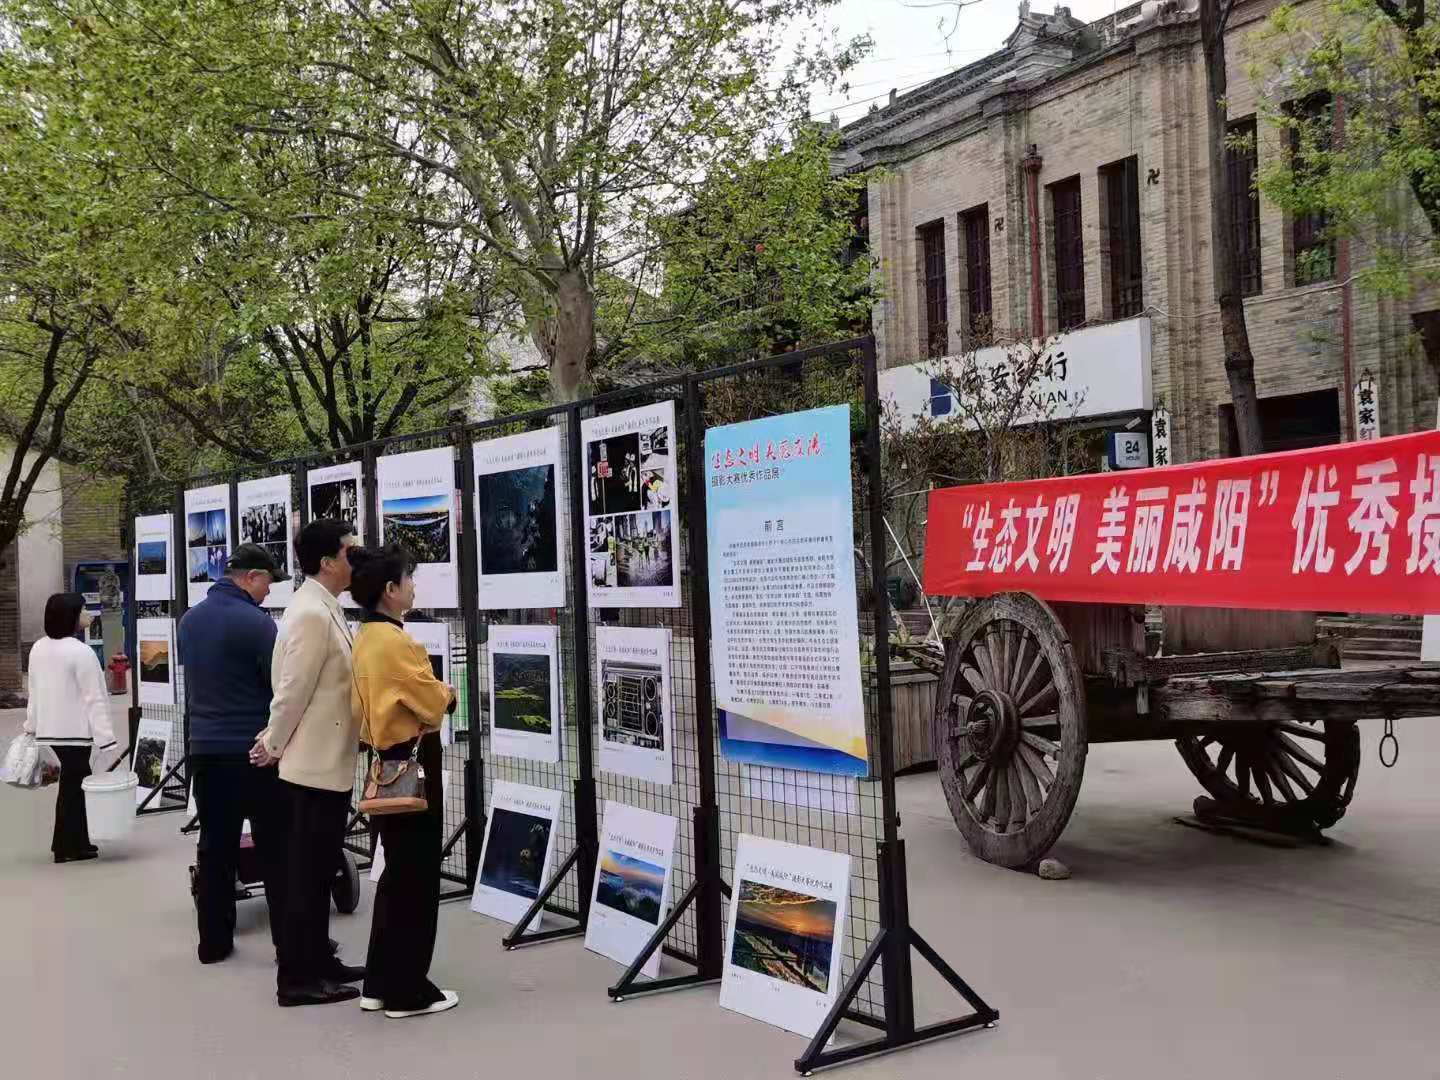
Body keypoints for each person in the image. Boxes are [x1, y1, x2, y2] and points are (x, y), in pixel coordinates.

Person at [252, 518, 364, 1007]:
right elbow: (291, 690)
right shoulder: (310, 613)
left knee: (319, 873)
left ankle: (319, 959)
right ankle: (296, 978)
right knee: (307, 876)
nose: (356, 560)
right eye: (350, 552)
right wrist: (272, 743)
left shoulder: (325, 606)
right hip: (310, 766)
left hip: (327, 761)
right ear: (328, 561)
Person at [348, 543, 459, 1019]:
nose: (413, 587)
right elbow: (435, 703)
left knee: (396, 875)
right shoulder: (399, 643)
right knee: (416, 879)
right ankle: (407, 990)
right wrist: (448, 691)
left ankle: (379, 980)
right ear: (390, 590)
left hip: (381, 760)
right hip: (413, 762)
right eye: (408, 580)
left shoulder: (365, 637)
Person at [177, 543, 288, 965]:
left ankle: (214, 942)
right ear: (252, 577)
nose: (268, 594)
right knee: (274, 845)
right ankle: (287, 941)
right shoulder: (258, 625)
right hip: (253, 749)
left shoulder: (189, 621)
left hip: (205, 748)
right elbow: (279, 688)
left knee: (214, 846)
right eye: (268, 585)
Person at [23, 593, 117, 864]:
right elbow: (95, 698)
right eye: (83, 610)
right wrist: (106, 739)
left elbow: (34, 692)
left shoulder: (38, 648)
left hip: (49, 731)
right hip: (75, 732)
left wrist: (31, 725)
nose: (88, 614)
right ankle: (69, 845)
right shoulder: (81, 652)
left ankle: (71, 843)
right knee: (74, 787)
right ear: (72, 617)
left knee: (71, 785)